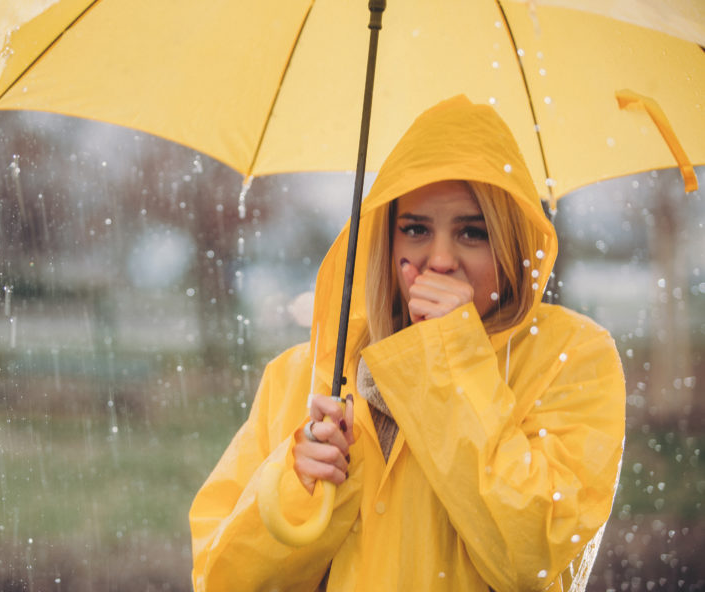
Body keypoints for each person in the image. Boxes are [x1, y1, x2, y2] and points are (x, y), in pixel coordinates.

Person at [189, 96, 626, 591]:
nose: (439, 260)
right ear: (385, 241)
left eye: (472, 233)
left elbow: (531, 557)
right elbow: (220, 579)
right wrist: (298, 487)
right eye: (415, 229)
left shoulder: (573, 358)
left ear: (511, 244)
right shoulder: (306, 373)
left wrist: (450, 358)